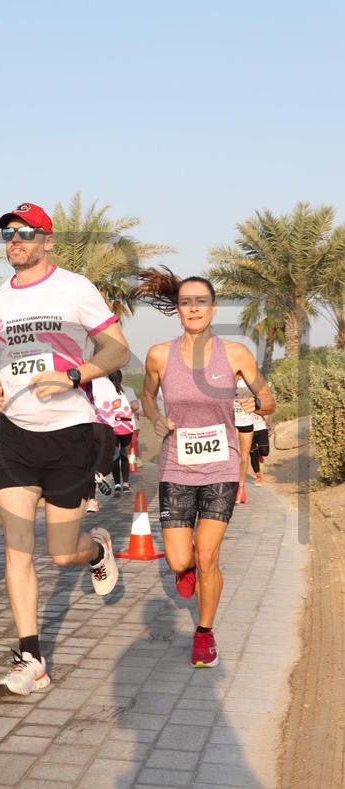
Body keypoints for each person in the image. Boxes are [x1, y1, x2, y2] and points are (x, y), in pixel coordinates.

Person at [0, 202, 130, 696]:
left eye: (26, 232)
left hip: (69, 433)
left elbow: (117, 349)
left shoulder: (75, 288)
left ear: (47, 241)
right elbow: (8, 362)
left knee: (63, 553)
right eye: (8, 233)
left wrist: (73, 374)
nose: (15, 240)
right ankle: (32, 659)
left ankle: (97, 549)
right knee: (17, 546)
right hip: (14, 436)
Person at [135, 267, 275, 668]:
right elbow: (147, 397)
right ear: (177, 309)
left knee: (208, 554)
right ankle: (186, 570)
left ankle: (204, 634)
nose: (194, 309)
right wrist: (156, 419)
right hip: (176, 466)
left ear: (212, 309)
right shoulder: (159, 355)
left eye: (201, 302)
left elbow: (269, 399)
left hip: (221, 466)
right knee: (180, 560)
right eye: (186, 302)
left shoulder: (235, 353)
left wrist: (256, 403)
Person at [85, 376, 121, 513]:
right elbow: (117, 403)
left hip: (86, 426)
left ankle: (92, 502)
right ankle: (100, 473)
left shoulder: (83, 381)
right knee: (107, 459)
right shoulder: (105, 381)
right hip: (104, 426)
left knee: (90, 463)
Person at [108, 370, 135, 496]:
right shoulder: (127, 391)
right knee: (124, 455)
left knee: (115, 456)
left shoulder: (106, 392)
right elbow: (135, 406)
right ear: (121, 378)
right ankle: (126, 484)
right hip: (127, 428)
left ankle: (117, 485)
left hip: (113, 428)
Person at [234, 378, 255, 503]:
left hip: (246, 421)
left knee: (244, 457)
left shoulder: (249, 379)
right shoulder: (226, 377)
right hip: (231, 422)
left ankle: (241, 487)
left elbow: (262, 397)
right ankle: (232, 486)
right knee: (234, 455)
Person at [122, 381, 141, 462]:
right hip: (131, 423)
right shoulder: (129, 390)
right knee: (133, 443)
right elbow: (136, 406)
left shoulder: (128, 390)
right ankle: (132, 462)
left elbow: (136, 407)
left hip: (129, 422)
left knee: (132, 443)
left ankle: (132, 462)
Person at [250, 412, 270, 486]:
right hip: (247, 431)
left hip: (261, 428)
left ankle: (259, 454)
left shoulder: (259, 404)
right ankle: (258, 477)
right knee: (253, 454)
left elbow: (268, 412)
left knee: (265, 452)